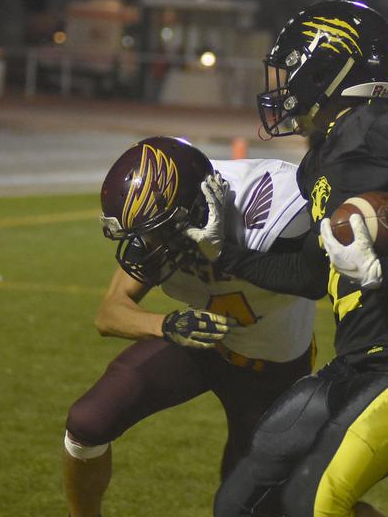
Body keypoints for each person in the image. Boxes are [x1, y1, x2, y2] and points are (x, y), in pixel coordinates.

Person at [185, 0, 388, 517]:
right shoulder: (322, 158)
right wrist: (226, 252)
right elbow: (315, 275)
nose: (285, 83)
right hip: (354, 365)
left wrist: (386, 273)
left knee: (312, 502)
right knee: (241, 501)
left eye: (293, 69)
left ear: (331, 68)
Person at [63, 136, 316, 517]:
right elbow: (109, 312)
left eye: (155, 232)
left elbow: (325, 275)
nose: (147, 245)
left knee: (262, 507)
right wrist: (168, 324)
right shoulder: (161, 216)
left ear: (194, 210)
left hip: (272, 373)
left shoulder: (273, 207)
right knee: (88, 422)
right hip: (204, 343)